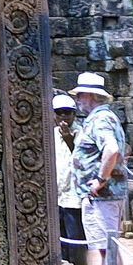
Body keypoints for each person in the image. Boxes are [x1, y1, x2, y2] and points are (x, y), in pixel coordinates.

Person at [70, 71, 128, 265]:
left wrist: (100, 180)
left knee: (106, 248)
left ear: (92, 96)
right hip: (104, 195)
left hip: (102, 196)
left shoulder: (100, 119)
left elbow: (111, 149)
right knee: (107, 247)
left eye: (81, 94)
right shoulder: (103, 118)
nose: (78, 99)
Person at [52, 92, 83, 256]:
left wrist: (69, 141)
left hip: (74, 195)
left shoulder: (82, 133)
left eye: (67, 112)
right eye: (59, 112)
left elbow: (83, 161)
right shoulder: (50, 134)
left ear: (74, 114)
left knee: (75, 237)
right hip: (56, 194)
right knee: (59, 238)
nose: (63, 116)